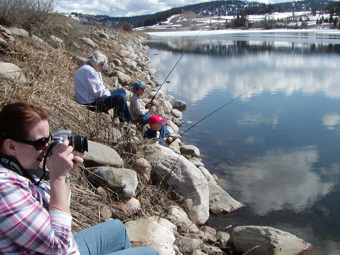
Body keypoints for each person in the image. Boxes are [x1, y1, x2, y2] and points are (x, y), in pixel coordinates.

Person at [0, 102, 159, 255]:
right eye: (41, 143)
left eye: (49, 138)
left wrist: (66, 172)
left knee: (117, 228)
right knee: (150, 253)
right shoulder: (4, 189)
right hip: (59, 247)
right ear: (11, 146)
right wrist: (58, 178)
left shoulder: (19, 170)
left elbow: (60, 207)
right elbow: (59, 245)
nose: (47, 147)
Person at [74, 50, 132, 124]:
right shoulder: (88, 71)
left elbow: (99, 88)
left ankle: (118, 117)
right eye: (101, 64)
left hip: (94, 98)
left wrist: (108, 93)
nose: (103, 67)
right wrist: (108, 94)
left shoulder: (92, 69)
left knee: (122, 91)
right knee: (120, 97)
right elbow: (98, 92)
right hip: (90, 103)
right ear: (95, 62)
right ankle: (125, 120)